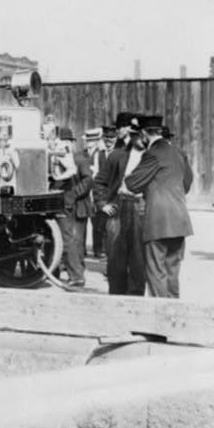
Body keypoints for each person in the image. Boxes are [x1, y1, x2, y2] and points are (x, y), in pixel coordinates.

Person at [125, 115, 194, 298]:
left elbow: (133, 183)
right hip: (180, 220)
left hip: (158, 221)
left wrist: (149, 188)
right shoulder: (179, 152)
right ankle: (173, 314)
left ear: (144, 134)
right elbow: (187, 183)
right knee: (172, 271)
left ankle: (158, 320)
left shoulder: (152, 154)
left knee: (156, 272)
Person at [94, 111, 147, 296]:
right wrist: (102, 204)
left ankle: (135, 301)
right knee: (116, 260)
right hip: (118, 209)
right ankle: (116, 300)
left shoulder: (152, 156)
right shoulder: (117, 156)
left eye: (141, 133)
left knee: (139, 260)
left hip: (141, 209)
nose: (139, 138)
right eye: (134, 134)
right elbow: (100, 181)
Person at [52, 127, 93, 287]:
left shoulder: (79, 159)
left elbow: (88, 181)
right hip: (65, 204)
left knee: (72, 241)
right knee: (71, 241)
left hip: (77, 205)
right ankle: (76, 274)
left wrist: (72, 195)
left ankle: (76, 275)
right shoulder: (58, 159)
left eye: (63, 142)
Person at [83, 127, 107, 259]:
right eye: (88, 140)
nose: (89, 143)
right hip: (85, 190)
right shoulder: (83, 154)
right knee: (83, 220)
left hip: (96, 190)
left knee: (97, 222)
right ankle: (82, 250)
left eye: (92, 140)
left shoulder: (101, 154)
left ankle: (99, 249)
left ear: (97, 141)